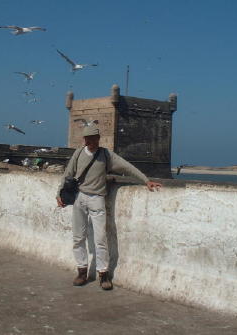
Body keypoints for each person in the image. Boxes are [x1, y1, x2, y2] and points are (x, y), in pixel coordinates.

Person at [57, 125, 162, 291]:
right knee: (78, 237)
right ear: (84, 139)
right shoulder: (78, 153)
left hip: (97, 198)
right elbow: (67, 175)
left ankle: (103, 274)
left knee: (100, 239)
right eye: (87, 138)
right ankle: (81, 271)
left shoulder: (106, 155)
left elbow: (127, 167)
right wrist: (59, 194)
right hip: (79, 197)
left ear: (98, 138)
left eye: (93, 138)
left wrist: (145, 180)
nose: (89, 141)